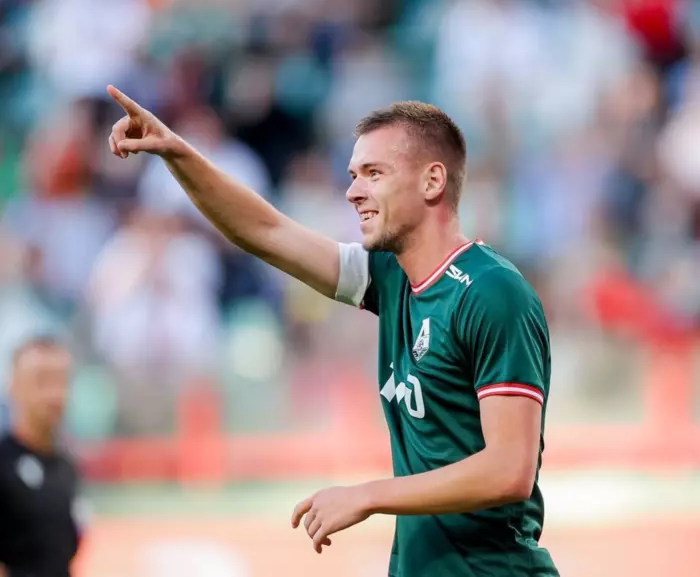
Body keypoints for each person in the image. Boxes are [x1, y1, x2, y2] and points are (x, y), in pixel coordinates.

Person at [106, 84, 560, 576]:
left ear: (432, 181)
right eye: (352, 175)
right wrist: (176, 152)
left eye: (373, 173)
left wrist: (368, 495)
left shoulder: (491, 291)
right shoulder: (391, 277)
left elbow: (508, 469)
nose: (352, 191)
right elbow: (265, 231)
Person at [0, 336, 87, 577]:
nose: (54, 394)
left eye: (61, 381)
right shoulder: (3, 465)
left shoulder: (66, 465)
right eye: (42, 381)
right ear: (13, 386)